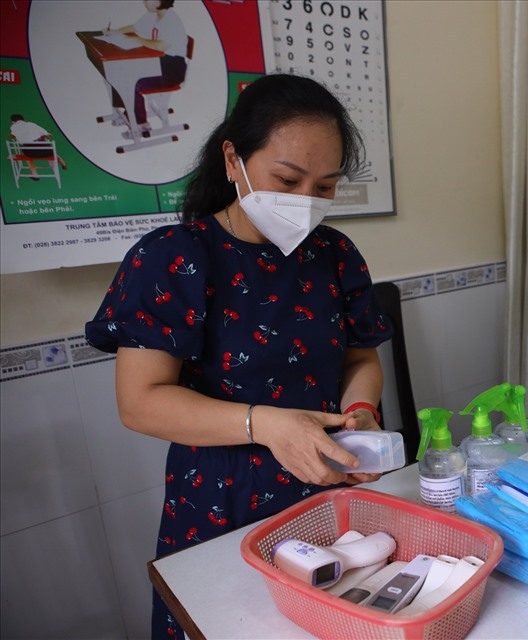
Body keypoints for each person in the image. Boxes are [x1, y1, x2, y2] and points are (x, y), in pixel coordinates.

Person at [84, 73, 393, 639]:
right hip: (225, 498)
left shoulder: (335, 254)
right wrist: (266, 424)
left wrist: (362, 414)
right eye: (287, 178)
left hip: (330, 485)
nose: (305, 202)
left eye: (324, 187)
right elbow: (141, 402)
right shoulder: (174, 258)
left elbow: (359, 358)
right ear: (233, 158)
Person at [106, 0, 189, 132]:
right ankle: (130, 113)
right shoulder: (152, 14)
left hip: (172, 69)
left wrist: (138, 40)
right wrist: (116, 32)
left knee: (133, 82)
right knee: (119, 73)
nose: (144, 2)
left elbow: (161, 45)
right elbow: (134, 28)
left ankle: (141, 123)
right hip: (158, 61)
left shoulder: (172, 20)